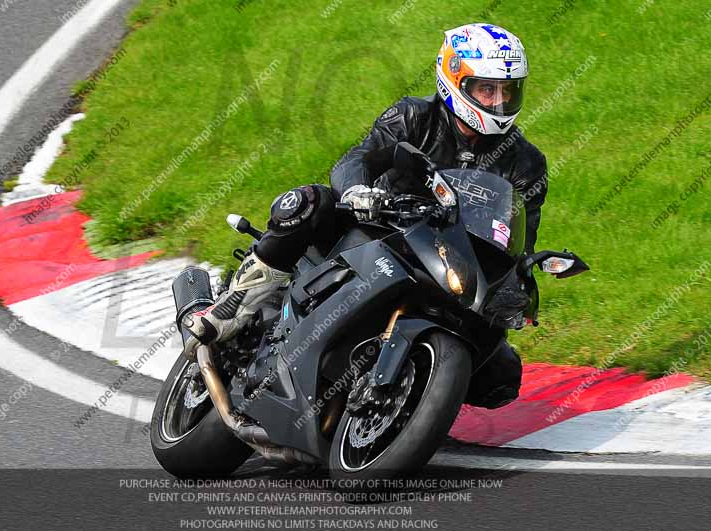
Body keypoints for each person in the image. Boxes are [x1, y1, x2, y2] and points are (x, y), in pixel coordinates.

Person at [183, 23, 547, 409]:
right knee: (307, 203)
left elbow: (520, 237)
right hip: (376, 228)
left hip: (448, 261)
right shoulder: (413, 116)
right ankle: (235, 306)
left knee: (501, 377)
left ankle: (411, 396)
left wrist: (518, 281)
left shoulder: (526, 162)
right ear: (454, 79)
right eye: (487, 89)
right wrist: (358, 191)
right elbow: (358, 158)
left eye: (508, 90)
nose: (498, 102)